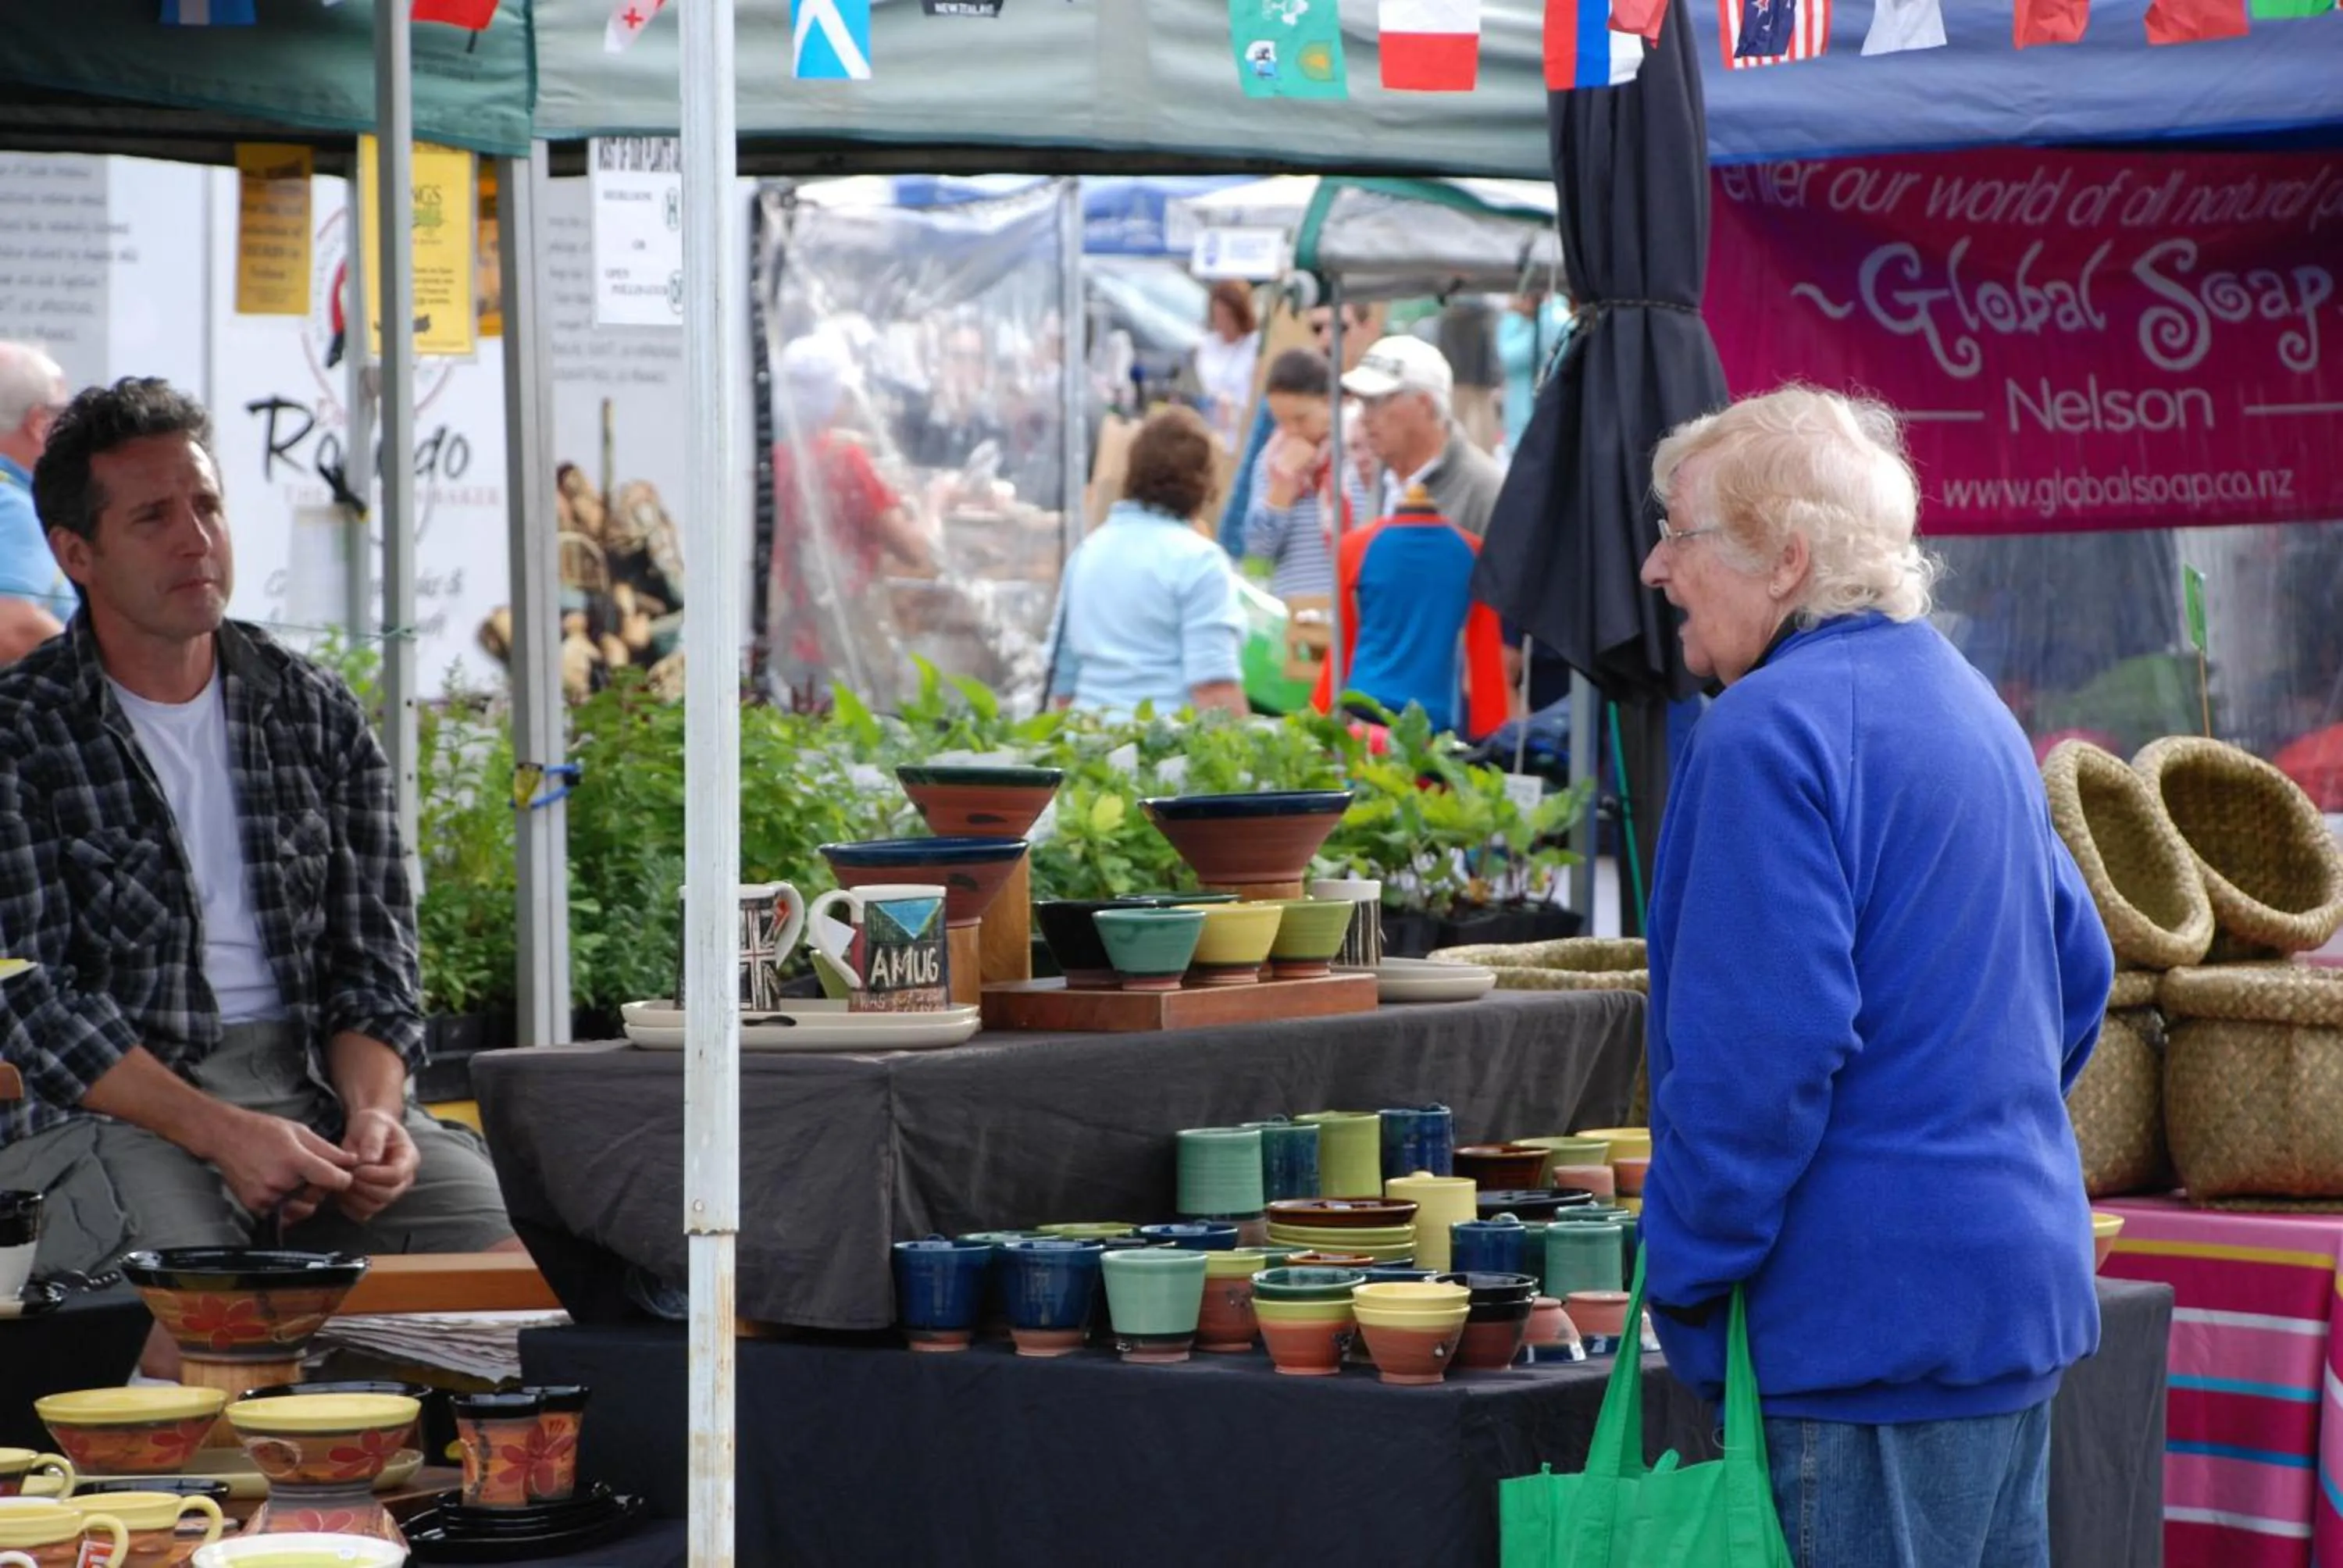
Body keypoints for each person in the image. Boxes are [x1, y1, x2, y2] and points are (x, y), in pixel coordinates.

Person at [1635, 386, 2112, 1567]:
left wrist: (1683, 1276)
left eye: (1680, 534)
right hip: (2006, 1303)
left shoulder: (1763, 732)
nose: (1655, 567)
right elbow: (2079, 972)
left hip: (1856, 1336)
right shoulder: (1971, 706)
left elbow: (1762, 1062)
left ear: (1786, 558)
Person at [0, 379, 519, 1374]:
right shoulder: (21, 731)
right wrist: (223, 1131)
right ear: (76, 554)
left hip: (318, 1085)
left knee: (526, 1280)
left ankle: (429, 1509)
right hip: (118, 1101)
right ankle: (215, 1526)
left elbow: (377, 961)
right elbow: (31, 1002)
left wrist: (374, 1116)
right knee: (208, 1315)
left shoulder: (312, 708)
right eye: (154, 517)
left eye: (208, 505)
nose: (197, 538)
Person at [1047, 406, 1246, 718]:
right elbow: (1213, 688)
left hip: (1087, 744)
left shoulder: (1087, 553)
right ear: (1205, 484)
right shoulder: (1200, 561)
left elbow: (1062, 682)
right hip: (1166, 754)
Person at [769, 334, 934, 690]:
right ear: (835, 397)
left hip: (790, 641)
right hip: (839, 646)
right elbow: (914, 550)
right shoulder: (847, 461)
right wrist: (939, 500)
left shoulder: (779, 458)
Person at [1311, 483, 1509, 739]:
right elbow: (1485, 654)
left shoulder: (1356, 547)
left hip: (1365, 712)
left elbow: (1341, 644)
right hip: (1431, 720)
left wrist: (1318, 721)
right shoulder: (1472, 552)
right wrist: (1491, 738)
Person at [1215, 300, 1372, 557]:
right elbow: (1252, 545)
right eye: (1317, 329)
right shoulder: (1274, 454)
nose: (1327, 339)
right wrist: (1282, 487)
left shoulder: (1365, 440)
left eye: (1339, 328)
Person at [1341, 335, 1504, 540]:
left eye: (1375, 401)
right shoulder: (1383, 476)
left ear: (1424, 404)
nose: (1365, 417)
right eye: (1362, 403)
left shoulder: (1485, 490)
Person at [0, 343, 72, 657]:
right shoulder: (13, 509)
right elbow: (10, 627)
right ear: (39, 423)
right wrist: (104, 682)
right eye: (64, 414)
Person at [1498, 290, 1574, 457]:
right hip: (1521, 421)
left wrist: (1514, 317)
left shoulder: (1554, 319)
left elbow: (1510, 356)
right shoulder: (1526, 322)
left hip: (1539, 422)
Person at [1189, 280, 1261, 452]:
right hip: (1209, 426)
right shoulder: (1207, 345)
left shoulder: (1254, 346)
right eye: (1218, 316)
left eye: (1227, 316)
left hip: (1240, 430)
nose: (1222, 323)